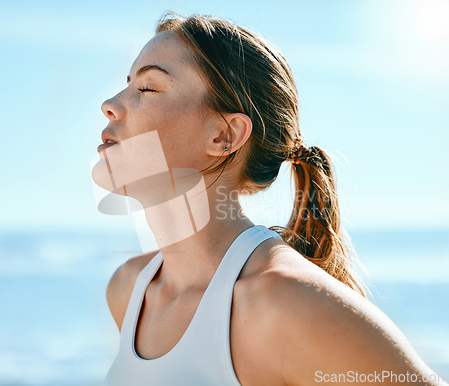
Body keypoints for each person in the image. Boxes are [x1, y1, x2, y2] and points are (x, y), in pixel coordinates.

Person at [96, 12, 446, 386]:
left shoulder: (284, 304)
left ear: (223, 136)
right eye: (126, 84)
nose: (110, 104)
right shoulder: (129, 289)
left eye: (147, 88)